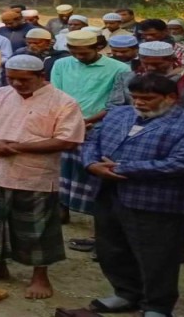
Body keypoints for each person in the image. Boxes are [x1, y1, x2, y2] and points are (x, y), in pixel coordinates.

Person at [68, 74, 184, 317]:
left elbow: (180, 163)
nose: (140, 103)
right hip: (109, 194)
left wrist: (119, 169)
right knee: (111, 248)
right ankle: (125, 293)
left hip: (156, 201)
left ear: (171, 98)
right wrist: (91, 164)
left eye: (147, 98)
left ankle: (157, 306)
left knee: (157, 256)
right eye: (135, 97)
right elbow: (91, 141)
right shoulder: (119, 114)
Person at [0, 54, 85, 300]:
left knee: (37, 229)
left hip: (36, 177)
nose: (17, 84)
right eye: (12, 78)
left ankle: (39, 276)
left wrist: (15, 148)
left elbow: (67, 140)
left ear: (41, 77)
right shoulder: (0, 95)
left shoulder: (64, 102)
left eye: (24, 79)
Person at [52, 29, 132, 221]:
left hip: (99, 127)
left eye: (84, 53)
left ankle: (96, 216)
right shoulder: (61, 64)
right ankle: (61, 208)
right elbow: (55, 96)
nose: (79, 57)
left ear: (97, 47)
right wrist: (68, 121)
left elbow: (117, 102)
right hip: (65, 124)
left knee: (91, 170)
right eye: (74, 52)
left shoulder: (119, 68)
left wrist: (89, 121)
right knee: (61, 169)